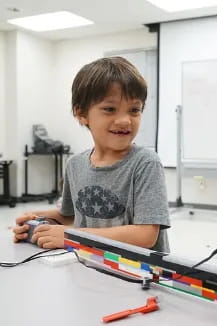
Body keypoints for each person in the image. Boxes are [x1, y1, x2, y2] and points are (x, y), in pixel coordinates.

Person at [12, 57, 170, 252]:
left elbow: (145, 235)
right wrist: (36, 219)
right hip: (92, 265)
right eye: (109, 109)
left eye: (134, 110)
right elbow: (71, 215)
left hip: (140, 274)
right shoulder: (75, 164)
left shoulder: (145, 163)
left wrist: (71, 236)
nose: (124, 121)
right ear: (82, 114)